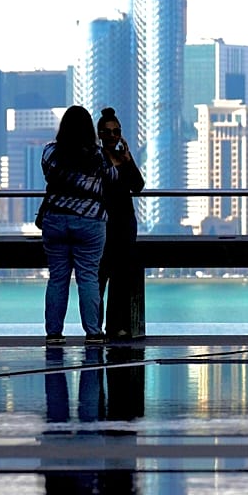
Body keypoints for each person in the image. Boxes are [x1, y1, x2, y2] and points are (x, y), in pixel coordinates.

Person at [40, 105, 126, 344]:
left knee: (58, 277)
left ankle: (54, 333)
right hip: (90, 221)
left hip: (55, 220)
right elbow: (113, 177)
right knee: (88, 276)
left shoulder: (49, 152)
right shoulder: (97, 155)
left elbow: (48, 174)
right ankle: (93, 332)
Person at [96, 107, 144, 340]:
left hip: (125, 224)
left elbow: (138, 185)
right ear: (99, 134)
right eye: (107, 132)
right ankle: (94, 327)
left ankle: (116, 326)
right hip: (102, 224)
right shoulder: (96, 159)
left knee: (120, 278)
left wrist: (127, 159)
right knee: (98, 278)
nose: (112, 136)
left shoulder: (123, 158)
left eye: (116, 131)